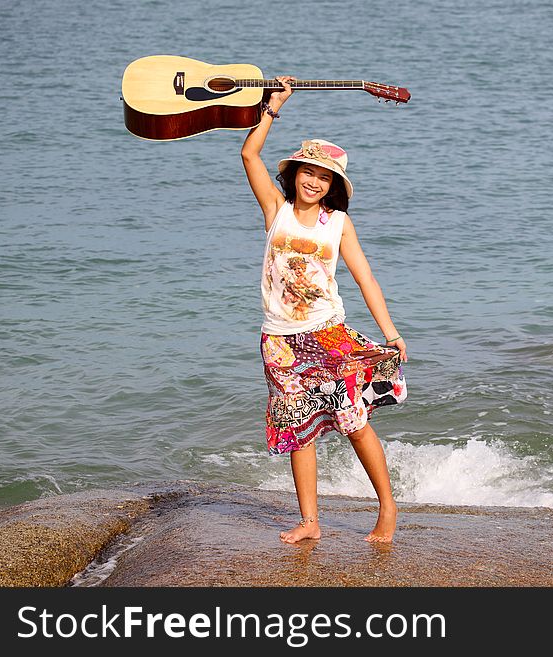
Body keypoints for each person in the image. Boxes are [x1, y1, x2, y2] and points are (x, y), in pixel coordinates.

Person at [241, 76, 408, 544]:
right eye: (307, 172)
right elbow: (248, 155)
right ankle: (310, 521)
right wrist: (274, 107)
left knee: (355, 423)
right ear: (294, 173)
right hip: (279, 340)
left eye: (323, 176)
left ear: (332, 185)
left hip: (328, 334)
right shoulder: (276, 210)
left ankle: (388, 509)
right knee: (299, 430)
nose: (314, 181)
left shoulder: (338, 223)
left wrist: (390, 333)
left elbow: (365, 278)